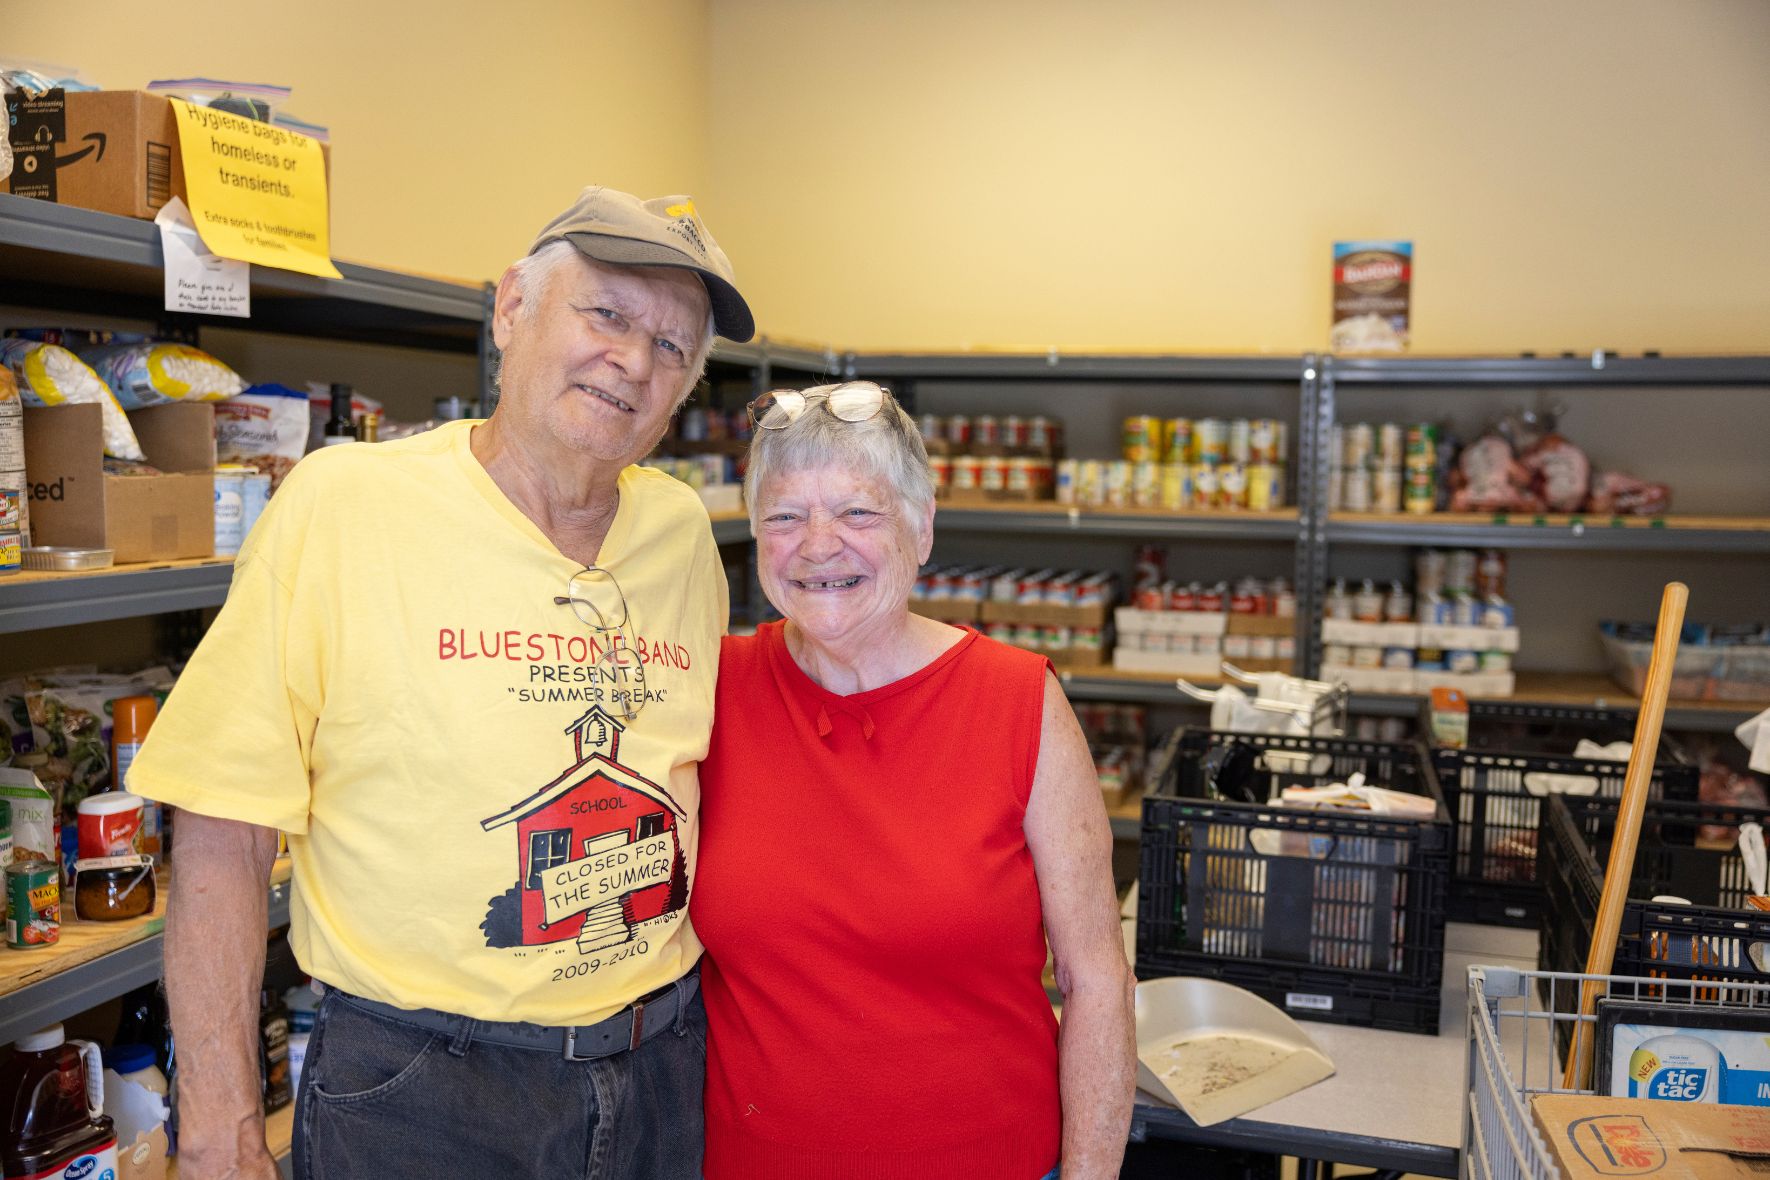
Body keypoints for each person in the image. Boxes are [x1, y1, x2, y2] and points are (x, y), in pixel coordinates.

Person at [128, 186, 755, 1179]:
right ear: (513, 308)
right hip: (423, 1091)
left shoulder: (682, 533)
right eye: (608, 315)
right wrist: (216, 1124)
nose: (635, 360)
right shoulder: (344, 506)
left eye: (673, 348)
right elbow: (224, 826)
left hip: (658, 1067)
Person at [691, 381, 1137, 1180]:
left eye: (859, 513)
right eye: (785, 517)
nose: (819, 546)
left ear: (922, 527)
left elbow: (1096, 980)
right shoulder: (713, 691)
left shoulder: (1018, 701)